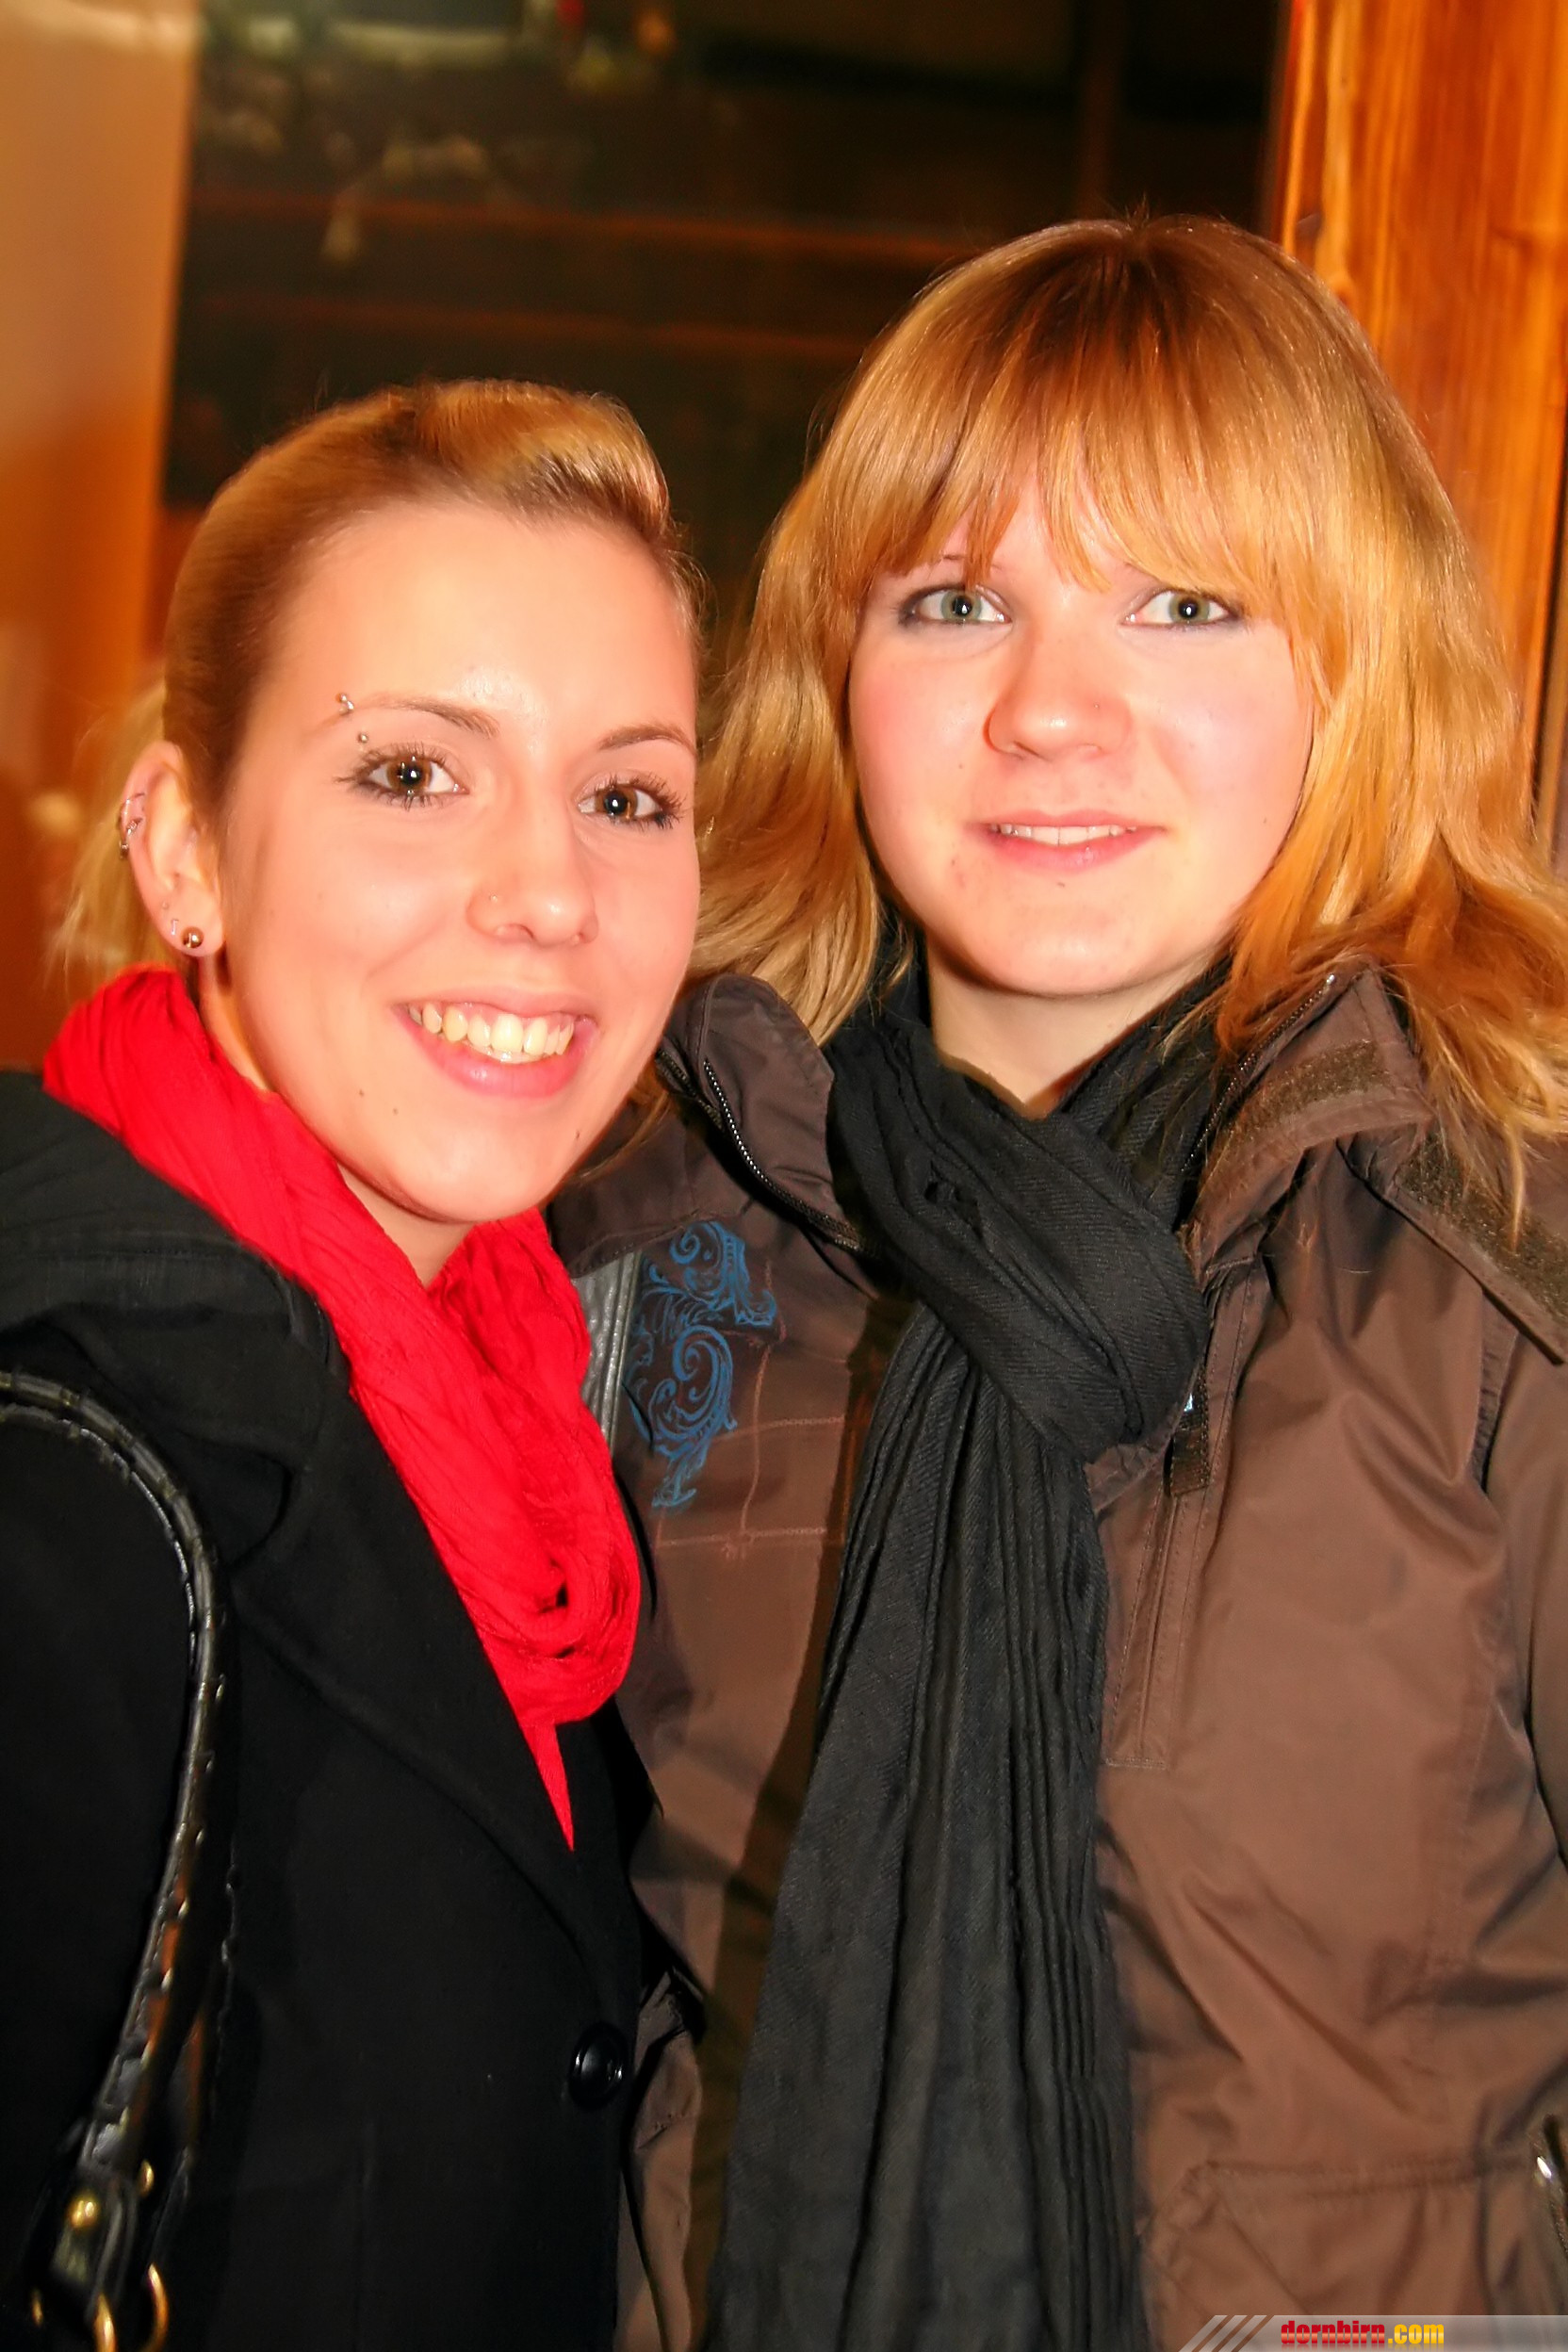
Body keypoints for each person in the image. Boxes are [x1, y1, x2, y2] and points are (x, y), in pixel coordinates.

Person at [552, 216, 1568, 2346]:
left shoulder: (1494, 1248)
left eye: (1184, 604)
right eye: (957, 602)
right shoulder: (647, 1222)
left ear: (1353, 665)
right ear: (836, 671)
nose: (1049, 712)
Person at [0, 380, 703, 2351]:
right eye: (412, 773)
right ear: (184, 847)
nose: (550, 894)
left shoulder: (545, 1406)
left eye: (627, 797)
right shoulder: (58, 1493)